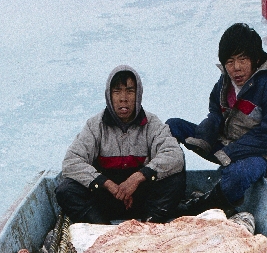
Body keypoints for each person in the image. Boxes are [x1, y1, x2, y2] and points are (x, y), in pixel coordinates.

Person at [167, 23, 267, 216]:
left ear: (256, 59)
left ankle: (201, 205)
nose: (236, 68)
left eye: (243, 59)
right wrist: (205, 135)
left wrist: (232, 152)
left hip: (260, 154)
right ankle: (169, 189)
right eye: (230, 61)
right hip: (226, 145)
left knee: (238, 174)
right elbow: (215, 111)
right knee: (172, 127)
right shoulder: (225, 81)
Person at [56, 66, 186, 224]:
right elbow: (71, 162)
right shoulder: (94, 126)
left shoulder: (152, 124)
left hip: (142, 200)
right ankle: (102, 229)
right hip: (107, 200)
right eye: (117, 91)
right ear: (109, 96)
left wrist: (137, 178)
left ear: (138, 95)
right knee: (66, 190)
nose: (123, 98)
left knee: (176, 178)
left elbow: (174, 155)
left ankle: (149, 225)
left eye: (130, 91)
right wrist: (108, 185)